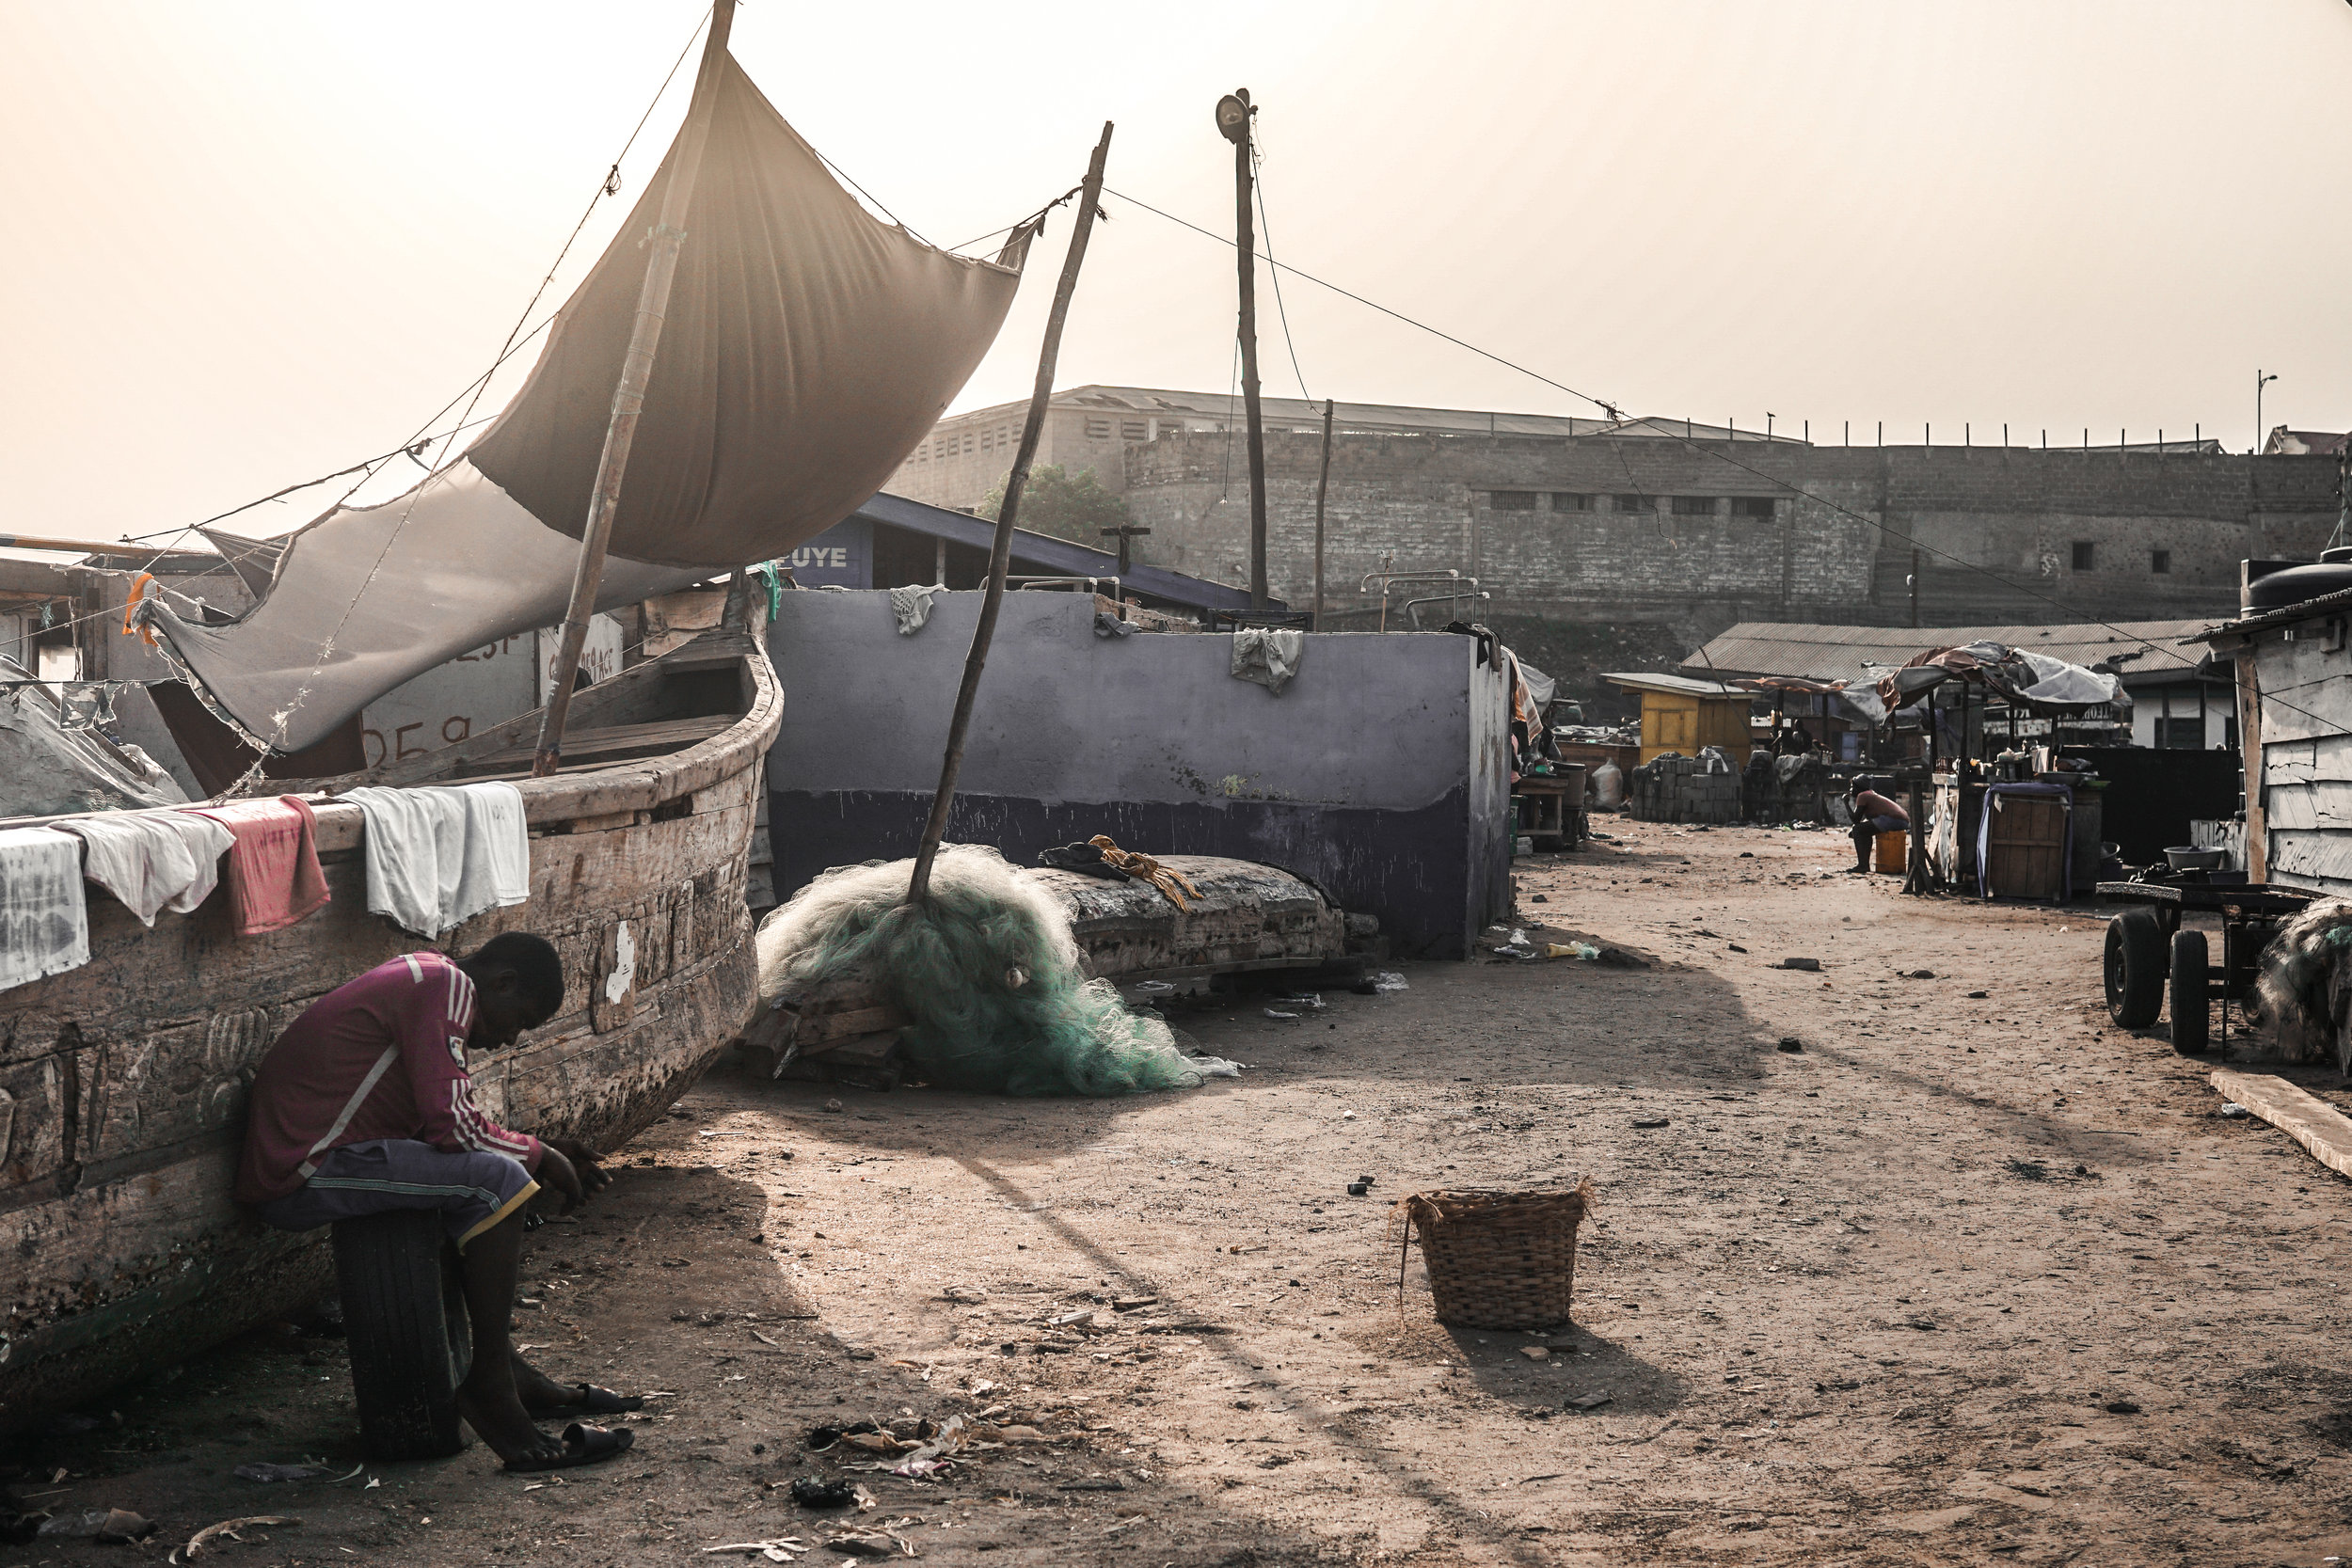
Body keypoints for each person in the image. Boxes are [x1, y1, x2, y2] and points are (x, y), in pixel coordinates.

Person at [235, 932, 638, 1472]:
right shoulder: (444, 985)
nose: (506, 1040)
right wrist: (538, 1154)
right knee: (498, 1182)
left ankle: (504, 1367)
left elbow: (440, 1126)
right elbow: (454, 1128)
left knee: (488, 1177)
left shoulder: (424, 976)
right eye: (519, 1020)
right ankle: (490, 1382)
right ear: (503, 983)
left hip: (325, 1159)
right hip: (303, 1168)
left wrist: (536, 1150)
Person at [1847, 779, 1911, 874]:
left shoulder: (1863, 795)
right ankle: (1864, 864)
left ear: (1859, 788)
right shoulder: (1870, 794)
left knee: (1857, 830)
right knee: (1864, 831)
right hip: (1902, 820)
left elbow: (1855, 820)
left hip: (1893, 819)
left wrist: (1845, 803)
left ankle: (1863, 865)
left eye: (1852, 787)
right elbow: (1863, 821)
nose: (1850, 790)